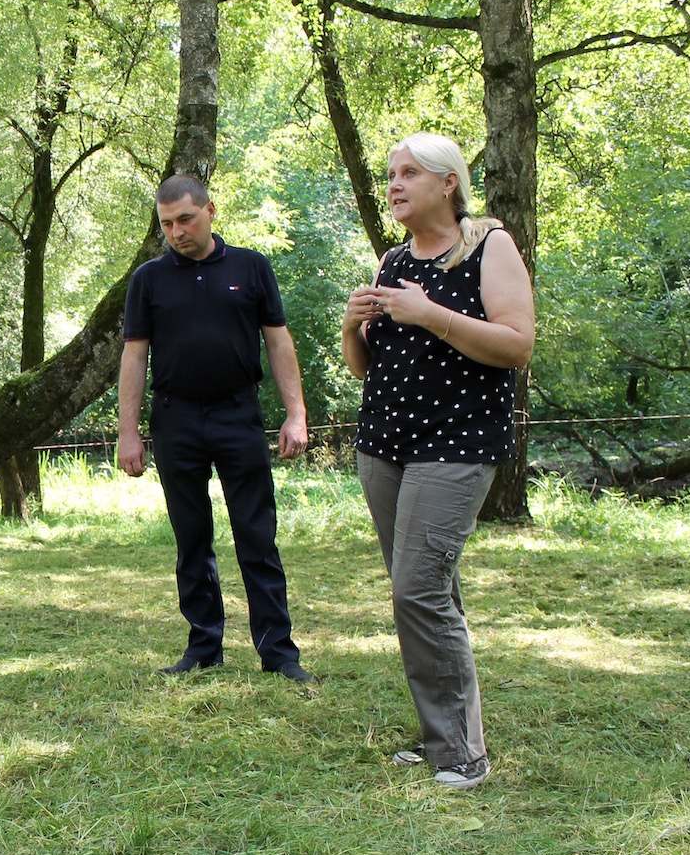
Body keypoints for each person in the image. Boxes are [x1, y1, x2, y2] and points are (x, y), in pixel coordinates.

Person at [341, 132, 535, 790]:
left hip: (456, 445)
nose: (393, 185)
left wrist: (430, 314)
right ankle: (443, 737)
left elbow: (516, 345)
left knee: (417, 590)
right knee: (425, 591)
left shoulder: (488, 245)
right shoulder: (394, 259)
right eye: (389, 175)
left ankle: (462, 753)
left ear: (448, 182)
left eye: (408, 173)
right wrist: (351, 327)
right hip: (384, 446)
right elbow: (367, 367)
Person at [118, 175, 313, 682]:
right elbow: (134, 356)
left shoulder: (251, 267)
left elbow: (279, 342)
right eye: (166, 224)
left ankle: (278, 653)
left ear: (209, 211)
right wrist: (128, 431)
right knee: (192, 539)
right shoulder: (148, 279)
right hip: (176, 418)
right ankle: (204, 648)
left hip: (237, 414)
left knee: (257, 536)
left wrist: (295, 414)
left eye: (185, 219)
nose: (177, 232)